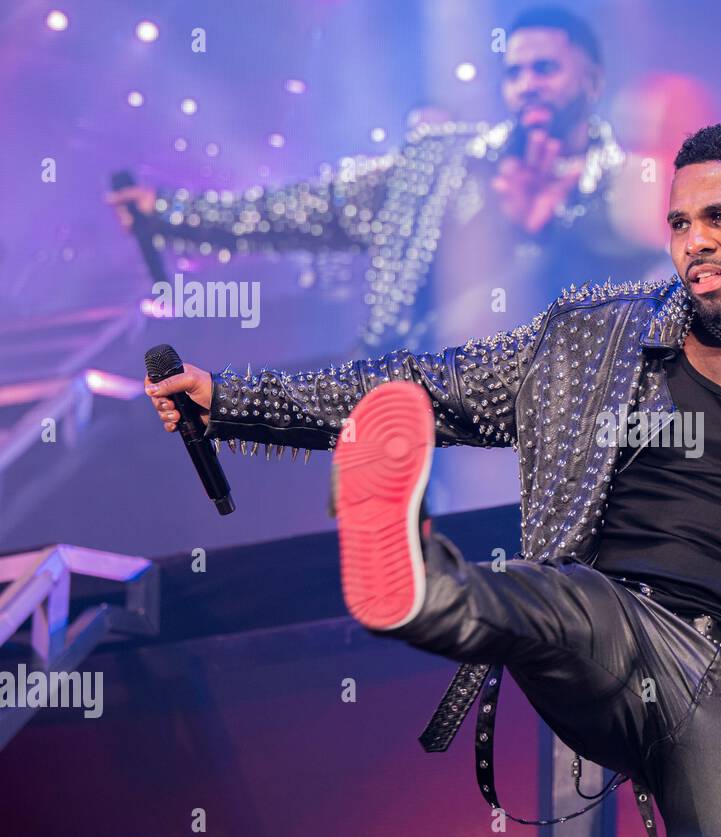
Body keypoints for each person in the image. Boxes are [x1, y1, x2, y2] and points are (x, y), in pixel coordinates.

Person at [145, 122, 721, 837]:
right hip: (605, 628)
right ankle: (415, 583)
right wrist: (230, 398)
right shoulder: (595, 334)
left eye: (719, 218)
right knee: (562, 599)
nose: (693, 240)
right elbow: (422, 387)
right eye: (679, 223)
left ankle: (425, 582)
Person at [111, 5, 661, 512]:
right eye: (514, 73)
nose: (527, 87)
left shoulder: (637, 196)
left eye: (545, 69)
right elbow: (301, 210)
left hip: (567, 447)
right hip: (416, 425)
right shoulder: (436, 165)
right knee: (411, 600)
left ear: (592, 80)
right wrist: (170, 212)